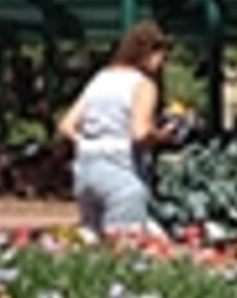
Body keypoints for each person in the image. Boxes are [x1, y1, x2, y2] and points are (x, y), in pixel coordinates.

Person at [57, 19, 177, 235]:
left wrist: (89, 145)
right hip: (122, 171)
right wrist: (163, 136)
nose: (161, 63)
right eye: (161, 56)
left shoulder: (100, 79)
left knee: (91, 240)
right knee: (125, 250)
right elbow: (139, 133)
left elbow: (66, 125)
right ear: (149, 52)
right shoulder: (143, 84)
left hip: (86, 172)